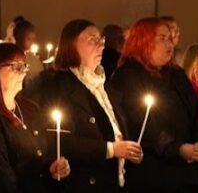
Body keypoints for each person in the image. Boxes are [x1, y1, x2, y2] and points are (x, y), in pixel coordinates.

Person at [33, 19, 142, 192]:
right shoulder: (59, 87)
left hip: (115, 181)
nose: (101, 46)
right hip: (84, 182)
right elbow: (62, 139)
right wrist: (110, 149)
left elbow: (117, 127)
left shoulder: (104, 85)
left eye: (101, 40)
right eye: (92, 40)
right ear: (71, 45)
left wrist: (130, 152)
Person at [110, 18, 198, 191]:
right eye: (162, 39)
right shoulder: (128, 76)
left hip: (191, 170)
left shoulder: (176, 73)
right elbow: (140, 123)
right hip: (155, 172)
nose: (170, 44)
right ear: (143, 41)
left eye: (170, 38)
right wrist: (177, 149)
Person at [0, 43, 69, 193]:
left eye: (24, 66)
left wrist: (52, 169)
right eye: (16, 67)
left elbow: (42, 158)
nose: (23, 73)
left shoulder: (30, 109)